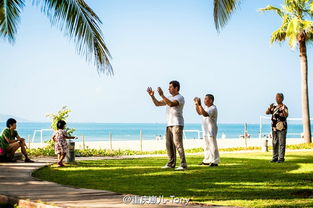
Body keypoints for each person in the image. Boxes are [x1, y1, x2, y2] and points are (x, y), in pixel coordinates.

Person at [147, 80, 187, 171]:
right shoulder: (168, 97)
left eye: (170, 87)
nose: (168, 89)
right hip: (169, 123)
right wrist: (152, 96)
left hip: (177, 123)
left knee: (178, 144)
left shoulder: (180, 97)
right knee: (169, 145)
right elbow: (157, 104)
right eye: (168, 87)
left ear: (176, 88)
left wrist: (162, 95)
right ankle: (171, 163)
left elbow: (171, 104)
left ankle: (183, 164)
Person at [194, 94, 220, 167]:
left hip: (211, 130)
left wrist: (200, 104)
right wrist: (197, 104)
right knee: (206, 146)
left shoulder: (213, 108)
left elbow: (205, 114)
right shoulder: (206, 107)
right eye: (204, 99)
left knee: (212, 146)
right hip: (205, 130)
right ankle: (207, 160)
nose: (204, 100)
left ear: (211, 100)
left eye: (206, 99)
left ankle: (215, 161)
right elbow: (199, 113)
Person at [265, 93, 288, 163]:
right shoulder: (274, 106)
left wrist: (283, 110)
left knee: (281, 143)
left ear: (281, 99)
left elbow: (286, 115)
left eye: (278, 97)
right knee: (274, 142)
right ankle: (275, 157)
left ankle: (281, 158)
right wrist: (269, 107)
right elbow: (266, 112)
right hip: (274, 127)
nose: (276, 98)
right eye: (276, 97)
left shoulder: (284, 107)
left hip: (282, 127)